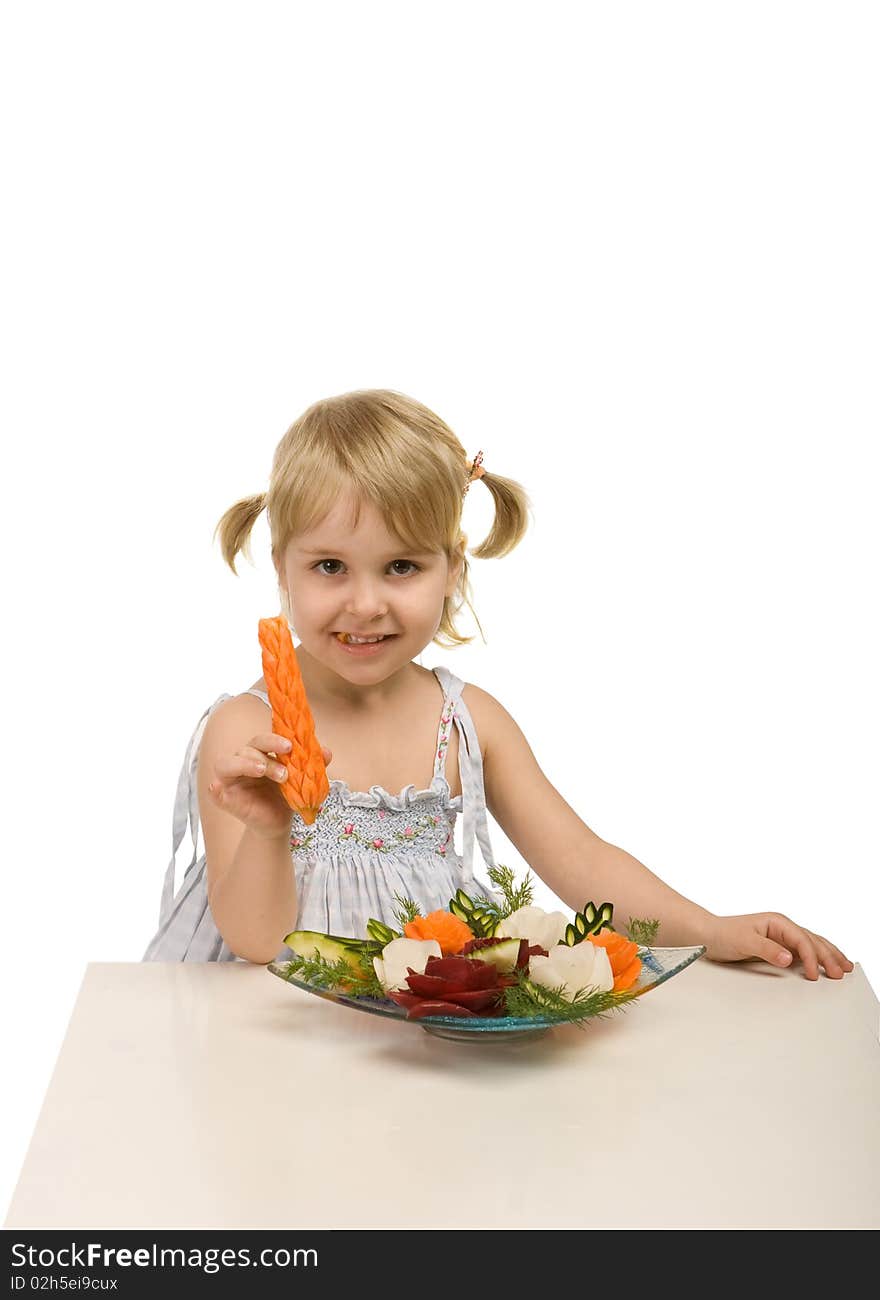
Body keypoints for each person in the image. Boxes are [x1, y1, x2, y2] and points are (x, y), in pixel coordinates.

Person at [143, 389, 854, 980]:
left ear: (452, 569)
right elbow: (255, 943)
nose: (365, 603)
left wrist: (707, 929)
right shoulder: (247, 731)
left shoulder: (464, 723)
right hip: (267, 1039)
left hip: (421, 1034)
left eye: (401, 567)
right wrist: (271, 832)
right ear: (282, 565)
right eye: (330, 566)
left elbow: (583, 864)